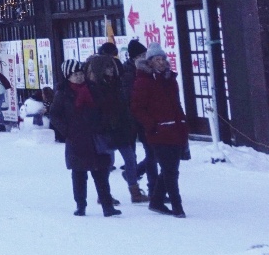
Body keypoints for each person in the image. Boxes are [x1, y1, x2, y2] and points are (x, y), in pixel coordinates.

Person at [50, 58, 121, 216]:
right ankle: (80, 205)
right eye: (75, 74)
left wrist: (103, 124)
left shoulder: (93, 89)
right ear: (67, 76)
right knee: (79, 174)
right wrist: (67, 131)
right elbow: (54, 115)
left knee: (101, 173)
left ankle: (107, 206)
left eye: (80, 73)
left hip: (95, 138)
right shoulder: (63, 93)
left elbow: (104, 108)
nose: (79, 77)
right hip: (76, 139)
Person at [129, 44, 187, 216]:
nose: (161, 62)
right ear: (150, 62)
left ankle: (156, 200)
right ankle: (177, 206)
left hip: (175, 129)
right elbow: (137, 108)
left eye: (162, 59)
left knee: (171, 169)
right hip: (158, 132)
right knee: (170, 170)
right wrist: (151, 125)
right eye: (156, 60)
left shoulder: (170, 79)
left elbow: (176, 103)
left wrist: (183, 122)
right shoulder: (143, 81)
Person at [102, 40, 148, 203]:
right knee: (108, 161)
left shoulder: (120, 83)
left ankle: (134, 192)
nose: (111, 71)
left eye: (113, 68)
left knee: (130, 158)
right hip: (107, 129)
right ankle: (104, 194)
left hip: (123, 127)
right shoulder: (99, 87)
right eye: (108, 68)